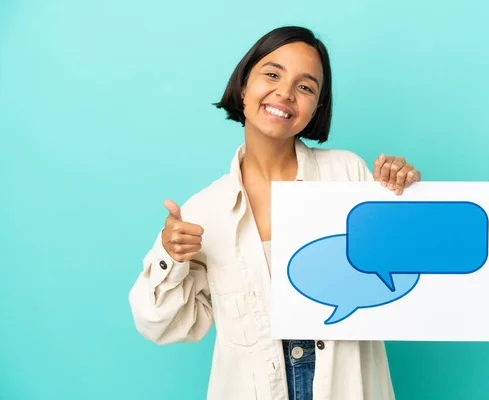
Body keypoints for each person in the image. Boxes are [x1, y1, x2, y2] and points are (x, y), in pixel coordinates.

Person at [128, 26, 421, 400]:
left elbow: (400, 272)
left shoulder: (348, 174)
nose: (285, 92)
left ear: (317, 106)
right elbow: (163, 325)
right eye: (272, 74)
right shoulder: (203, 212)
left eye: (306, 86)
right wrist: (170, 258)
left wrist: (401, 193)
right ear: (243, 87)